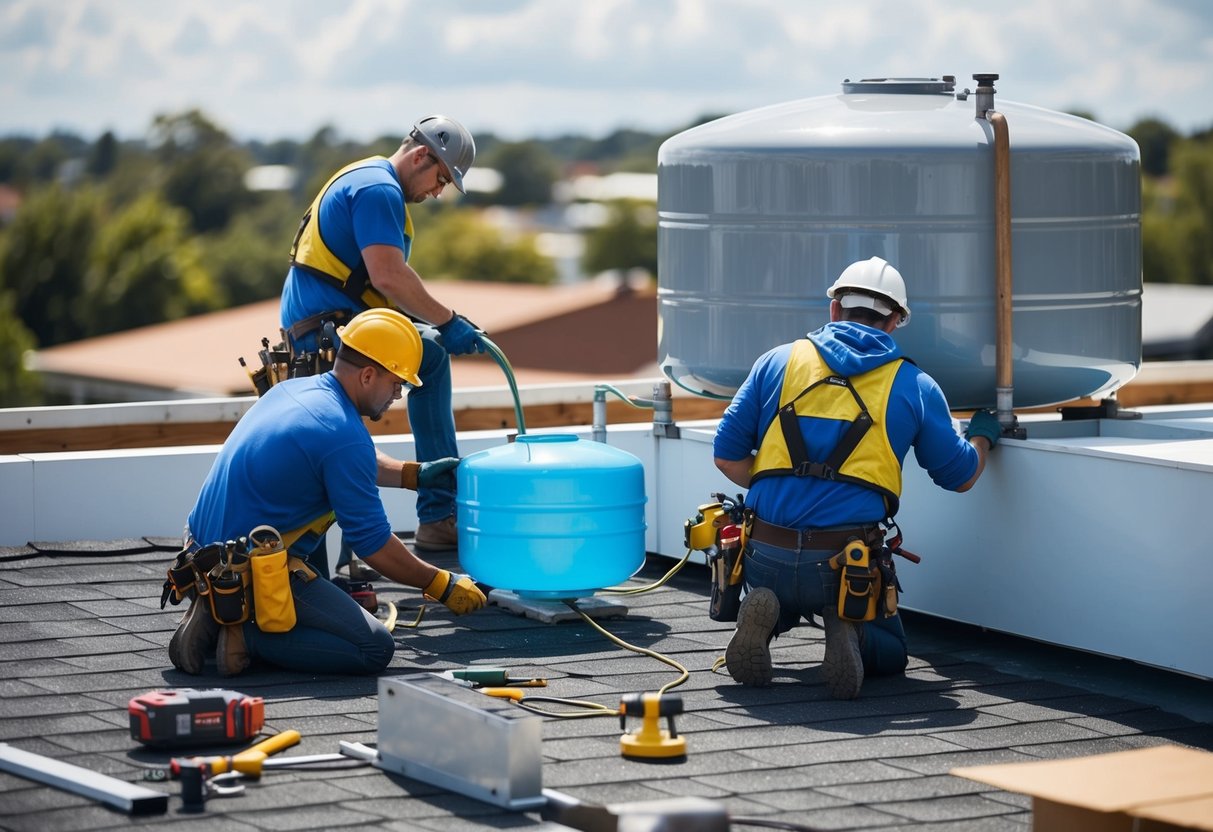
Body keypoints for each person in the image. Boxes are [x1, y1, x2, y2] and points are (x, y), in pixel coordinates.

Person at [712, 256, 1000, 700]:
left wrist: (786, 486)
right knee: (893, 652)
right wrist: (983, 436)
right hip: (846, 566)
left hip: (765, 554)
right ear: (896, 320)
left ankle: (766, 620)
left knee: (777, 591)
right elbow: (960, 477)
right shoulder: (915, 385)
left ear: (834, 310)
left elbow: (726, 456)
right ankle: (849, 629)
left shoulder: (777, 362)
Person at [166, 308, 486, 677]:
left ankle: (217, 613)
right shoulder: (342, 435)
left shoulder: (295, 390)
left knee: (324, 590)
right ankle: (239, 632)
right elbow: (373, 544)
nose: (398, 394)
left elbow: (344, 458)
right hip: (240, 580)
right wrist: (440, 583)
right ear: (368, 375)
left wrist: (414, 475)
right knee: (372, 647)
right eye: (396, 383)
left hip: (197, 563)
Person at [281, 114, 484, 555]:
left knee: (428, 352)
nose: (437, 192)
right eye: (441, 179)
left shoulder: (368, 177)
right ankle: (438, 513)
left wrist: (437, 324)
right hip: (325, 334)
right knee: (430, 351)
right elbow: (389, 277)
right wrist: (448, 322)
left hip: (329, 326)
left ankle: (437, 512)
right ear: (420, 156)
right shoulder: (379, 190)